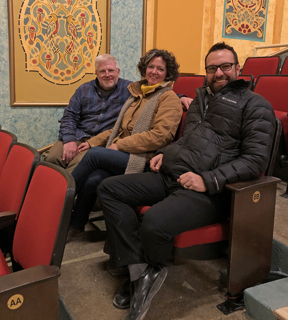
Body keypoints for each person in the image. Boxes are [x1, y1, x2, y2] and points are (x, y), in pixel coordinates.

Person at [97, 42, 276, 320]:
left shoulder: (256, 106)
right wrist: (163, 153)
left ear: (238, 68)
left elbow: (255, 161)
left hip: (211, 192)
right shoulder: (201, 100)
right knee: (109, 189)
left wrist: (209, 179)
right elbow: (188, 140)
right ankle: (138, 271)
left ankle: (151, 268)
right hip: (173, 176)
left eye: (225, 66)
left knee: (154, 223)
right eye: (212, 68)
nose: (219, 73)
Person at [67, 49, 183, 244]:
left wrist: (120, 145)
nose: (154, 72)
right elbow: (118, 128)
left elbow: (160, 137)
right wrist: (93, 141)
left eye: (160, 69)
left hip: (145, 160)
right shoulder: (138, 95)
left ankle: (57, 202)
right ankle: (75, 225)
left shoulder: (168, 98)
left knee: (94, 156)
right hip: (128, 153)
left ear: (168, 73)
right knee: (93, 180)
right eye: (151, 67)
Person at [43, 54, 192, 172]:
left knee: (75, 165)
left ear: (118, 72)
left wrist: (181, 97)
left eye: (111, 70)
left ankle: (63, 200)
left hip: (101, 142)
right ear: (96, 73)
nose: (107, 74)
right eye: (102, 71)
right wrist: (69, 140)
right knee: (51, 159)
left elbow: (156, 93)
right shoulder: (83, 89)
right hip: (77, 136)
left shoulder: (129, 89)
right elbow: (69, 116)